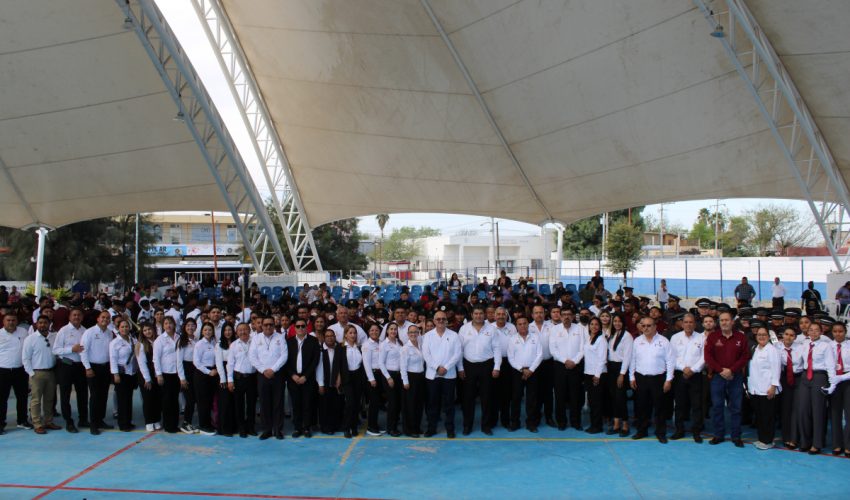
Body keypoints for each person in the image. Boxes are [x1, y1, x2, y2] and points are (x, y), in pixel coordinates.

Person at [704, 311, 749, 447]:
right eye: (722, 320)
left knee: (736, 407)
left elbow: (745, 356)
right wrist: (721, 370)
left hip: (735, 376)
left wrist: (731, 370)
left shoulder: (741, 337)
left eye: (727, 320)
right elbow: (708, 357)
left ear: (732, 322)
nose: (724, 322)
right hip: (718, 377)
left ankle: (736, 436)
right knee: (717, 406)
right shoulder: (713, 337)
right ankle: (718, 434)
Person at [457, 304, 501, 436]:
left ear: (485, 315)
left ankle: (486, 425)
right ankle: (467, 425)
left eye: (481, 313)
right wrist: (460, 368)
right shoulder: (464, 329)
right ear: (471, 315)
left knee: (487, 397)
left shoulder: (492, 329)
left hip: (487, 365)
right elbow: (459, 350)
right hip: (468, 366)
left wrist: (497, 367)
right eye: (476, 313)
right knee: (468, 398)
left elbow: (497, 348)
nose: (478, 316)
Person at [629, 316, 674, 443]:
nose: (646, 328)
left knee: (660, 407)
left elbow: (670, 361)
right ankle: (642, 430)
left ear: (655, 326)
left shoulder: (664, 341)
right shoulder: (637, 341)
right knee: (642, 406)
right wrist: (631, 377)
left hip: (658, 379)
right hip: (641, 378)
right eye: (643, 326)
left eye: (649, 325)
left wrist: (668, 380)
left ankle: (660, 432)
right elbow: (633, 359)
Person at [795, 322, 836, 455]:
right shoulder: (804, 345)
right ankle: (805, 441)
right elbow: (798, 361)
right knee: (803, 410)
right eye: (811, 330)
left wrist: (832, 383)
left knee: (818, 411)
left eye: (816, 330)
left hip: (819, 376)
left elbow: (830, 365)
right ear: (807, 332)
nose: (813, 332)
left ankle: (816, 443)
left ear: (821, 332)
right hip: (805, 376)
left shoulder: (826, 346)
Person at [422, 310, 462, 438]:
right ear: (434, 321)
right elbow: (426, 355)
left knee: (449, 404)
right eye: (438, 319)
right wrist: (437, 367)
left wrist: (446, 367)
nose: (441, 321)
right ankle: (431, 428)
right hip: (432, 375)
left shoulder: (454, 335)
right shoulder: (427, 336)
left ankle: (450, 429)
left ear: (447, 320)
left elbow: (457, 354)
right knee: (432, 403)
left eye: (443, 319)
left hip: (449, 375)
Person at [249, 316, 288, 440]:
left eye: (271, 324)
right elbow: (252, 356)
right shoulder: (256, 338)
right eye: (265, 324)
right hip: (262, 375)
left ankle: (277, 429)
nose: (268, 327)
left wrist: (273, 369)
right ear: (262, 326)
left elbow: (284, 355)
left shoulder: (280, 337)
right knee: (264, 403)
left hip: (277, 374)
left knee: (278, 403)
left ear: (274, 325)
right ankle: (267, 430)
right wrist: (263, 370)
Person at [669, 314, 705, 442]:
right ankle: (679, 430)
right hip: (680, 374)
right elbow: (672, 356)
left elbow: (704, 357)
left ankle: (696, 431)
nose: (688, 324)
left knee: (697, 404)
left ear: (695, 324)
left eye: (691, 322)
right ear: (682, 324)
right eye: (686, 322)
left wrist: (693, 369)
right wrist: (683, 368)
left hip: (696, 375)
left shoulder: (701, 338)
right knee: (679, 404)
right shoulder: (675, 338)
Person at [53, 307, 88, 433]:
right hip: (66, 365)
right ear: (69, 317)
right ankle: (69, 421)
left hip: (80, 366)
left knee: (83, 394)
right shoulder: (63, 331)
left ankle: (83, 419)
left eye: (79, 315)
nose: (76, 317)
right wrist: (71, 349)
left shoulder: (85, 331)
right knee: (65, 394)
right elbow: (55, 350)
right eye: (74, 315)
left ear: (82, 317)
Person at [744, 326, 780, 450]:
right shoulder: (755, 349)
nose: (761, 337)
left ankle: (768, 440)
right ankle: (761, 439)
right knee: (759, 416)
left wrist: (773, 386)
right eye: (759, 335)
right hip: (755, 388)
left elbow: (776, 369)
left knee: (767, 416)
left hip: (767, 389)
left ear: (769, 337)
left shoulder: (772, 350)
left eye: (764, 334)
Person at [22, 315, 59, 434]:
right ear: (36, 324)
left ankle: (48, 421)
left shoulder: (54, 337)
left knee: (49, 399)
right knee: (36, 400)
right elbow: (25, 358)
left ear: (49, 324)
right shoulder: (30, 339)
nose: (43, 325)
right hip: (36, 373)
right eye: (40, 323)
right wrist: (31, 373)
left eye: (45, 323)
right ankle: (37, 423)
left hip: (51, 372)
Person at [550, 307, 586, 431]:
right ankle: (561, 422)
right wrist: (565, 361)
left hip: (575, 366)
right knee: (560, 395)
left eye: (569, 314)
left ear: (573, 316)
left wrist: (574, 361)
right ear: (560, 316)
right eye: (564, 314)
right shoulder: (554, 330)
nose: (566, 317)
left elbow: (583, 348)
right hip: (560, 366)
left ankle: (576, 422)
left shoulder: (580, 329)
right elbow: (553, 349)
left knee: (575, 395)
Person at [285, 318, 320, 438]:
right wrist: (292, 375)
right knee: (296, 404)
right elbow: (285, 361)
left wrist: (306, 376)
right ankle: (297, 428)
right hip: (293, 378)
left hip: (307, 378)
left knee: (307, 404)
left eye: (303, 326)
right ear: (294, 328)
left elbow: (315, 360)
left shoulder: (313, 341)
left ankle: (306, 428)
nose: (300, 328)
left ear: (306, 328)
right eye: (298, 326)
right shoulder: (288, 342)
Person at [80, 310, 114, 435]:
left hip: (105, 367)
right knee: (95, 396)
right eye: (103, 317)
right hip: (93, 368)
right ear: (98, 319)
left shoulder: (110, 333)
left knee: (104, 395)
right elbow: (83, 351)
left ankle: (100, 420)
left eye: (108, 318)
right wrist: (87, 368)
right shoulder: (89, 332)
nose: (105, 319)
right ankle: (93, 424)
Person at [507, 316, 543, 432]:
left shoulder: (535, 337)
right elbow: (511, 358)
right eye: (520, 324)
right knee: (516, 398)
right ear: (516, 326)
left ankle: (531, 423)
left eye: (524, 323)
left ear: (528, 324)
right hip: (518, 372)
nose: (522, 326)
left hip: (533, 371)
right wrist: (522, 369)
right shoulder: (512, 339)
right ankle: (515, 423)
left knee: (532, 398)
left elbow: (540, 355)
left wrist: (531, 370)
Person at [227, 323, 257, 438]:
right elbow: (230, 364)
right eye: (240, 330)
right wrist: (230, 380)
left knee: (251, 403)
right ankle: (241, 428)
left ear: (249, 330)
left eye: (245, 330)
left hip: (252, 377)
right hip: (238, 378)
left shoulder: (255, 342)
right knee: (239, 404)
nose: (243, 332)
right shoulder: (234, 345)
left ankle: (251, 427)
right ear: (237, 332)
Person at [489, 307, 517, 430]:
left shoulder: (512, 327)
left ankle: (505, 420)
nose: (501, 316)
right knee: (493, 392)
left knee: (506, 393)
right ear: (494, 316)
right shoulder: (489, 327)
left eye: (503, 314)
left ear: (506, 316)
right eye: (498, 314)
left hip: (508, 362)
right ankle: (493, 419)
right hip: (493, 362)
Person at [606, 313, 632, 437]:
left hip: (621, 368)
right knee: (613, 397)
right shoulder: (611, 334)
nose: (617, 323)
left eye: (619, 321)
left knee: (621, 397)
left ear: (623, 322)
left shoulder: (627, 336)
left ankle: (625, 424)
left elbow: (627, 356)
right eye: (615, 321)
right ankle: (616, 424)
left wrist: (622, 374)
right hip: (611, 368)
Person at [529, 305, 555, 427]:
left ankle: (549, 416)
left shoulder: (552, 327)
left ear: (544, 314)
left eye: (541, 312)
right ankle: (536, 416)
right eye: (536, 312)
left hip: (549, 363)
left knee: (548, 392)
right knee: (536, 392)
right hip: (534, 364)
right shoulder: (528, 327)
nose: (539, 314)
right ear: (532, 315)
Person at [108, 319, 136, 432]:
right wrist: (115, 374)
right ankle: (123, 424)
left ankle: (128, 421)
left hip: (131, 373)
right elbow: (113, 359)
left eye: (126, 326)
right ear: (118, 329)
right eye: (122, 327)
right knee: (122, 400)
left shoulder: (133, 340)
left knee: (129, 398)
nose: (124, 329)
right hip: (121, 374)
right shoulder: (114, 343)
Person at [193, 322, 219, 436]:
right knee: (203, 402)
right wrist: (208, 372)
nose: (208, 332)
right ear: (202, 332)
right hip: (202, 374)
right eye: (205, 330)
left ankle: (209, 423)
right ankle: (203, 425)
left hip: (213, 374)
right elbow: (196, 362)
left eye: (210, 330)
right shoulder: (199, 344)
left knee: (209, 401)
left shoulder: (214, 343)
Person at [378, 322, 404, 437]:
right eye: (391, 329)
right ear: (387, 331)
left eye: (395, 329)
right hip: (389, 375)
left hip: (399, 375)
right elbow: (381, 363)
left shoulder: (399, 343)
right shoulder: (384, 344)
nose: (393, 331)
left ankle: (395, 424)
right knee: (393, 403)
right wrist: (388, 377)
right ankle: (391, 428)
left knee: (398, 402)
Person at [340, 325, 365, 438]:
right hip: (347, 377)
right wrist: (338, 378)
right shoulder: (341, 348)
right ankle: (346, 427)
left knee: (356, 404)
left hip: (358, 377)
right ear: (345, 334)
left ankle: (354, 427)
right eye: (350, 333)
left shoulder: (359, 347)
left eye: (354, 333)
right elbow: (337, 364)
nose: (353, 335)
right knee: (349, 404)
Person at [583, 317, 607, 434]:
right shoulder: (588, 338)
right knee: (592, 401)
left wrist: (597, 375)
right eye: (591, 324)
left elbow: (602, 359)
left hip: (597, 374)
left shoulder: (601, 340)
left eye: (596, 324)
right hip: (588, 373)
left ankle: (597, 426)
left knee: (596, 402)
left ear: (600, 326)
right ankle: (593, 424)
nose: (594, 326)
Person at [316, 329, 343, 435]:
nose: (330, 338)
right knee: (325, 406)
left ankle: (336, 425)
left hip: (336, 381)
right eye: (327, 336)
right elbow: (318, 368)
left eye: (332, 336)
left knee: (336, 404)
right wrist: (320, 384)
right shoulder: (320, 350)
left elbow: (341, 365)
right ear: (324, 338)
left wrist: (339, 377)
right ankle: (326, 427)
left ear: (335, 337)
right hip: (324, 382)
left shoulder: (339, 349)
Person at [136, 323, 161, 432]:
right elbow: (142, 363)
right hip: (146, 375)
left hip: (156, 374)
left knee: (156, 399)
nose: (147, 332)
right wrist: (147, 379)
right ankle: (149, 421)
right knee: (148, 399)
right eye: (145, 330)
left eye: (149, 329)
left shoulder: (158, 341)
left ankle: (156, 419)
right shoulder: (141, 345)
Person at [401, 325, 425, 437]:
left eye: (415, 332)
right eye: (411, 332)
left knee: (419, 404)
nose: (413, 334)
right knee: (410, 405)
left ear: (418, 333)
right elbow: (403, 366)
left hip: (420, 377)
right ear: (408, 334)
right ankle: (410, 429)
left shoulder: (421, 345)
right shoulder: (405, 348)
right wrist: (405, 381)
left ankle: (417, 427)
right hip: (410, 378)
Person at [361, 323, 383, 436]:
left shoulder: (381, 343)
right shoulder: (366, 345)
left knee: (378, 401)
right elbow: (366, 363)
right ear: (368, 332)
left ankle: (376, 425)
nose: (374, 332)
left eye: (376, 330)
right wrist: (371, 379)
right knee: (373, 402)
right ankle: (371, 427)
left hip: (380, 374)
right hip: (372, 376)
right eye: (372, 330)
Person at [216, 323, 237, 437]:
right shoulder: (219, 345)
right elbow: (219, 363)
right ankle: (224, 428)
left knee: (234, 402)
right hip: (223, 374)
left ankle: (234, 426)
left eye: (230, 330)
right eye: (225, 330)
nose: (228, 332)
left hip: (235, 373)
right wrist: (223, 379)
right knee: (225, 402)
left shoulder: (236, 343)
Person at [178, 318, 198, 434]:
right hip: (186, 370)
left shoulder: (196, 339)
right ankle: (185, 423)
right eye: (188, 325)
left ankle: (189, 422)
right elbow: (179, 361)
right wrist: (182, 378)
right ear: (184, 327)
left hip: (195, 370)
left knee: (193, 399)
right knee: (189, 399)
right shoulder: (181, 341)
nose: (190, 327)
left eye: (192, 325)